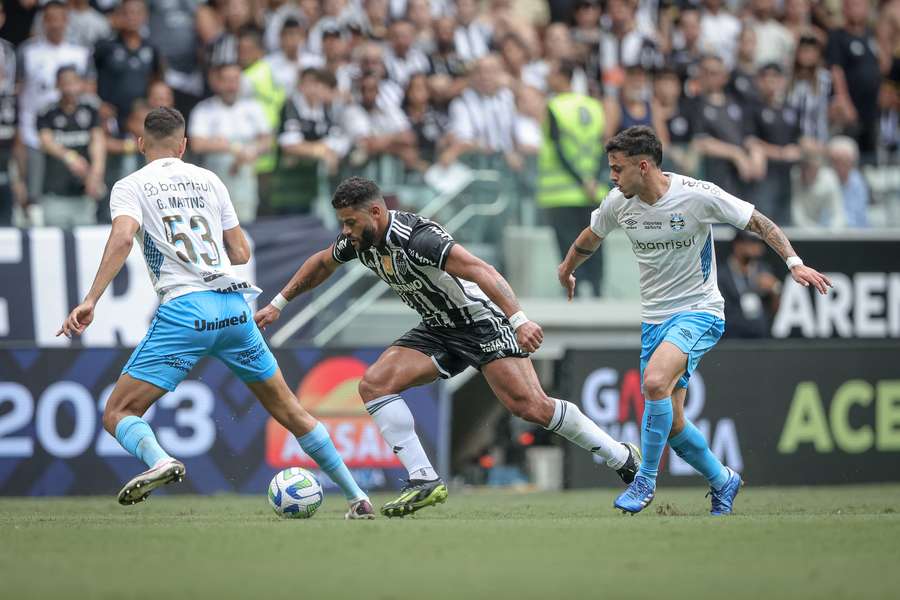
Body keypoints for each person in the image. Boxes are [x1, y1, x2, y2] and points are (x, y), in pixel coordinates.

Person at [254, 176, 641, 518]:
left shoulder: (418, 238)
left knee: (530, 407)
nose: (346, 231)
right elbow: (321, 263)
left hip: (479, 323)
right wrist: (278, 304)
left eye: (351, 222)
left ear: (375, 211)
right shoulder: (359, 241)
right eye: (342, 223)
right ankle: (423, 479)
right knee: (373, 384)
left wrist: (519, 320)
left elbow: (481, 270)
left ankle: (620, 456)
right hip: (437, 328)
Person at [56, 107, 374, 520]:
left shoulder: (131, 185)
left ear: (140, 144)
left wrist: (91, 299)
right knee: (291, 410)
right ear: (184, 145)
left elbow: (122, 236)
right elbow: (241, 252)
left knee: (120, 413)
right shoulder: (210, 180)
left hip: (185, 310)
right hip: (233, 309)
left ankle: (159, 460)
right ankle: (357, 497)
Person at [557, 126, 831, 515]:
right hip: (655, 319)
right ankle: (723, 480)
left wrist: (794, 262)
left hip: (700, 310)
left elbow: (758, 222)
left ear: (644, 166)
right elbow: (591, 236)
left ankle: (644, 480)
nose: (613, 176)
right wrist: (568, 268)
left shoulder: (696, 195)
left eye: (618, 169)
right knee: (672, 423)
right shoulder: (620, 203)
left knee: (653, 382)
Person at [537, 59, 607, 297]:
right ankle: (597, 291)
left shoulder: (554, 106)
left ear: (562, 77)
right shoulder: (594, 106)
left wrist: (580, 181)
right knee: (594, 243)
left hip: (561, 193)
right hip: (592, 190)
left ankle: (573, 293)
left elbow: (558, 150)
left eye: (551, 73)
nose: (548, 78)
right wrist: (593, 179)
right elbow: (601, 147)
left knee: (569, 247)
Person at [37, 66, 105, 227]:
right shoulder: (47, 112)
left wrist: (95, 176)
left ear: (81, 83)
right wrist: (70, 157)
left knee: (86, 246)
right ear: (57, 85)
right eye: (65, 83)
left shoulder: (90, 110)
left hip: (83, 194)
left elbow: (98, 143)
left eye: (74, 82)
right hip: (54, 195)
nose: (70, 88)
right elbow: (46, 142)